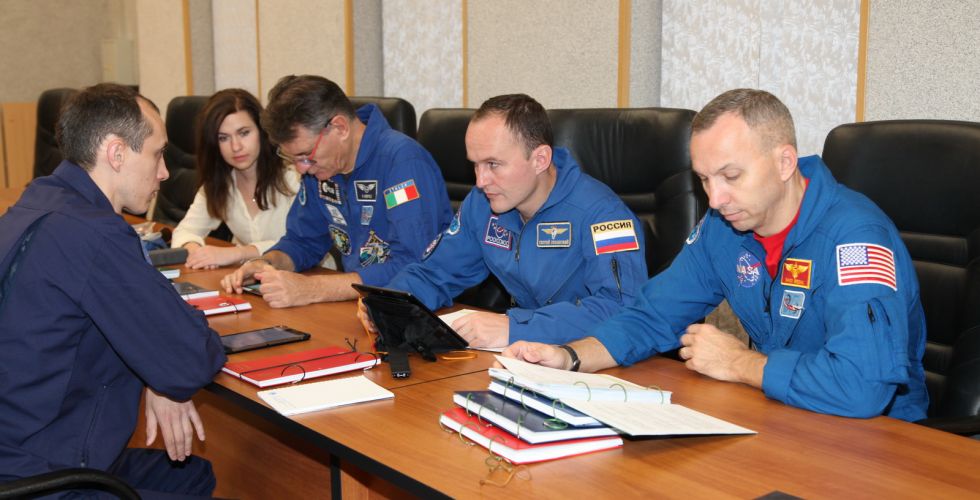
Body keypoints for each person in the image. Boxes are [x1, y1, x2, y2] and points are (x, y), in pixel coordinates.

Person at [504, 88, 929, 421]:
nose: (715, 198)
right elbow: (653, 316)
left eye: (731, 176)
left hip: (877, 440)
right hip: (782, 416)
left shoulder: (855, 240)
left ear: (784, 163)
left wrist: (741, 363)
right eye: (705, 179)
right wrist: (571, 356)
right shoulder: (724, 228)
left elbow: (862, 387)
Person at [0, 83, 227, 495]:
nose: (164, 172)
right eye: (157, 154)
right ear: (117, 153)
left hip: (18, 449)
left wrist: (156, 374)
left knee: (188, 475)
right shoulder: (93, 234)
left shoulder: (36, 202)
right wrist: (163, 372)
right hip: (44, 475)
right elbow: (191, 357)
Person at [358, 94, 648, 348]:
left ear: (540, 159)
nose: (480, 181)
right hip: (523, 357)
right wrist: (389, 303)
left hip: (592, 361)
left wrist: (515, 327)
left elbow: (621, 309)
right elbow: (436, 272)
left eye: (493, 164)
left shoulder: (604, 215)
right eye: (475, 165)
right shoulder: (483, 204)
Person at [221, 75, 452, 308]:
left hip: (418, 310)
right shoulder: (321, 170)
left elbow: (414, 264)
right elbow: (304, 240)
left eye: (305, 155)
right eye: (292, 158)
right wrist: (266, 263)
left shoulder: (403, 163)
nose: (301, 168)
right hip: (361, 304)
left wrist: (314, 289)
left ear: (340, 128)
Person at [171, 88, 301, 270]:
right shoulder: (219, 183)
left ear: (262, 131)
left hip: (309, 274)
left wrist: (238, 253)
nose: (236, 146)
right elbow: (185, 232)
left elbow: (301, 243)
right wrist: (196, 252)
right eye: (223, 138)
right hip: (256, 278)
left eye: (244, 133)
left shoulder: (295, 175)